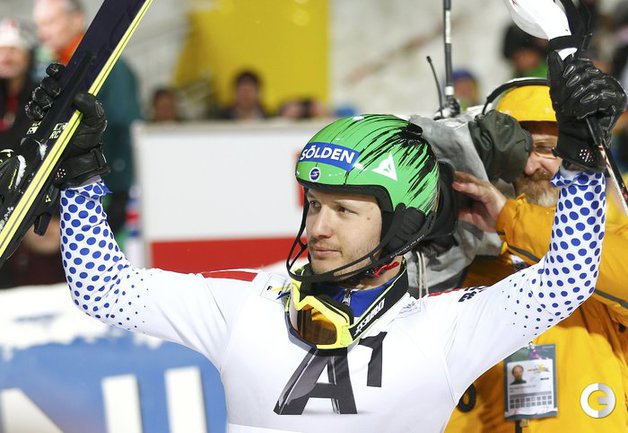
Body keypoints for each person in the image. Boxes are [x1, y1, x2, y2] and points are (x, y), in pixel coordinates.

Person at [25, 49, 623, 432]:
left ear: (402, 224)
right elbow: (105, 291)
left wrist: (581, 157)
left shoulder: (449, 326)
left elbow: (569, 275)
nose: (318, 227)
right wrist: (80, 176)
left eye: (344, 210)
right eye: (313, 205)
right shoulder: (250, 305)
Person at [443, 82, 627, 433]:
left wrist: (509, 218)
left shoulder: (617, 239)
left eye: (547, 149)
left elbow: (594, 261)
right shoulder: (466, 256)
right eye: (516, 150)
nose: (530, 166)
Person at [32, 0, 143, 238]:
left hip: (102, 187)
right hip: (64, 188)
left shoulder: (110, 67)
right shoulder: (50, 70)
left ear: (77, 20)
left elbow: (124, 126)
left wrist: (120, 190)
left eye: (50, 22)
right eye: (38, 25)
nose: (42, 32)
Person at [0, 18, 37, 148]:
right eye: (2, 50)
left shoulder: (41, 96)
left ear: (29, 57)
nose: (6, 58)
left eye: (13, 49)